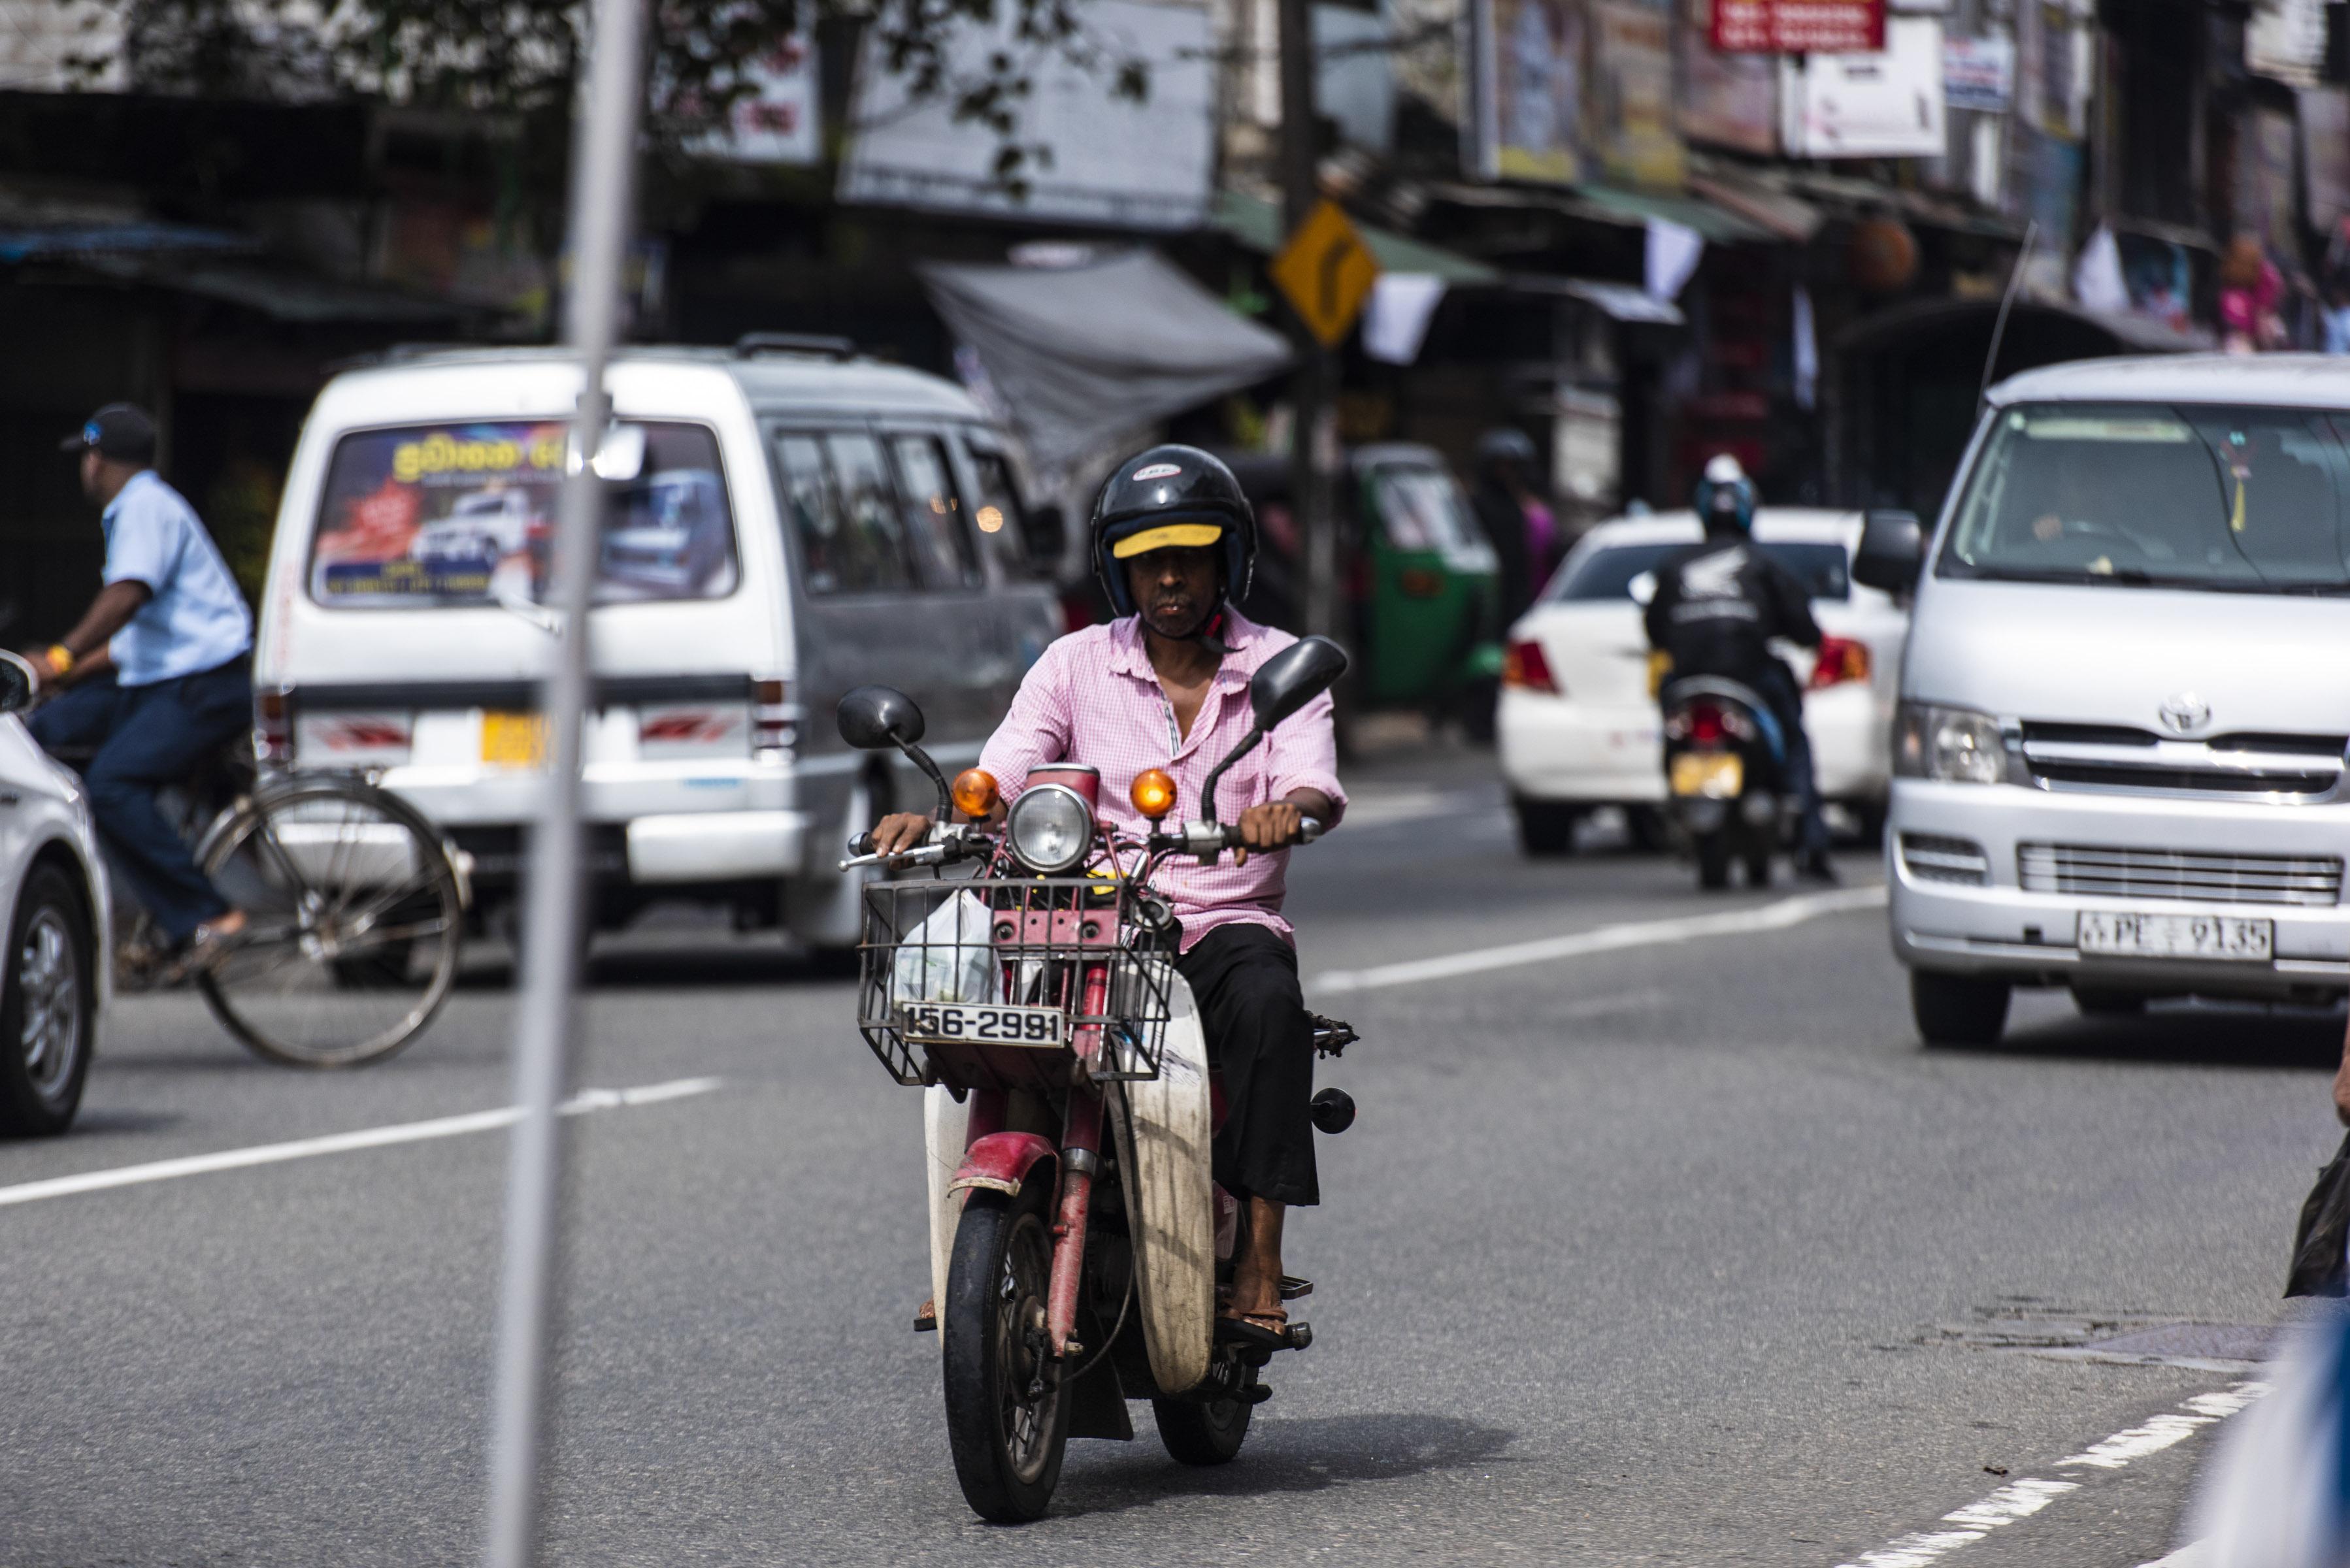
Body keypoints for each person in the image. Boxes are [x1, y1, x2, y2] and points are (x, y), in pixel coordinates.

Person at [870, 443, 1344, 1345]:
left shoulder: (1275, 668)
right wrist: (939, 811)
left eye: (1190, 557)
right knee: (981, 1014)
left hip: (1216, 920)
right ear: (1120, 568)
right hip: (1084, 918)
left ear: (1227, 561)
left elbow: (1313, 780)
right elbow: (1005, 770)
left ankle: (1259, 1261)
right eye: (1148, 559)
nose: (1170, 578)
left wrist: (1291, 809)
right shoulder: (1074, 663)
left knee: (1268, 1005)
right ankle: (965, 1251)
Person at [22, 404, 254, 966]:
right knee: (45, 735)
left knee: (114, 785)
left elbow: (127, 596)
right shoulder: (147, 510)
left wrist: (61, 655)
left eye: (87, 458)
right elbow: (133, 643)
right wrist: (63, 675)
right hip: (159, 678)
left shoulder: (143, 508)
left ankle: (206, 914)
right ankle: (154, 910)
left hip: (204, 683)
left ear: (97, 461)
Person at [1642, 453, 1834, 881]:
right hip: (1750, 682)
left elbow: (1655, 629)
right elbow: (1804, 627)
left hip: (1689, 682)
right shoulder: (1762, 563)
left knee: (1668, 709)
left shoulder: (1676, 565)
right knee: (1796, 740)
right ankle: (1812, 840)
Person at [1470, 427, 1559, 621]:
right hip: (1488, 598)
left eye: (1512, 467)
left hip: (1525, 598)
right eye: (1500, 466)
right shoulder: (1476, 507)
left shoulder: (1532, 513)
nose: (1506, 473)